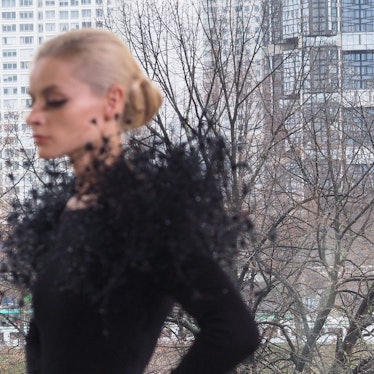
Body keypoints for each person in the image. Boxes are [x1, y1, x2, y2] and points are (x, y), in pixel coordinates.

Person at [3, 29, 260, 373]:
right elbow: (42, 341)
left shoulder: (144, 213)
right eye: (33, 100)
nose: (33, 116)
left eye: (55, 100)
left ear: (111, 101)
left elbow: (235, 332)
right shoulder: (64, 213)